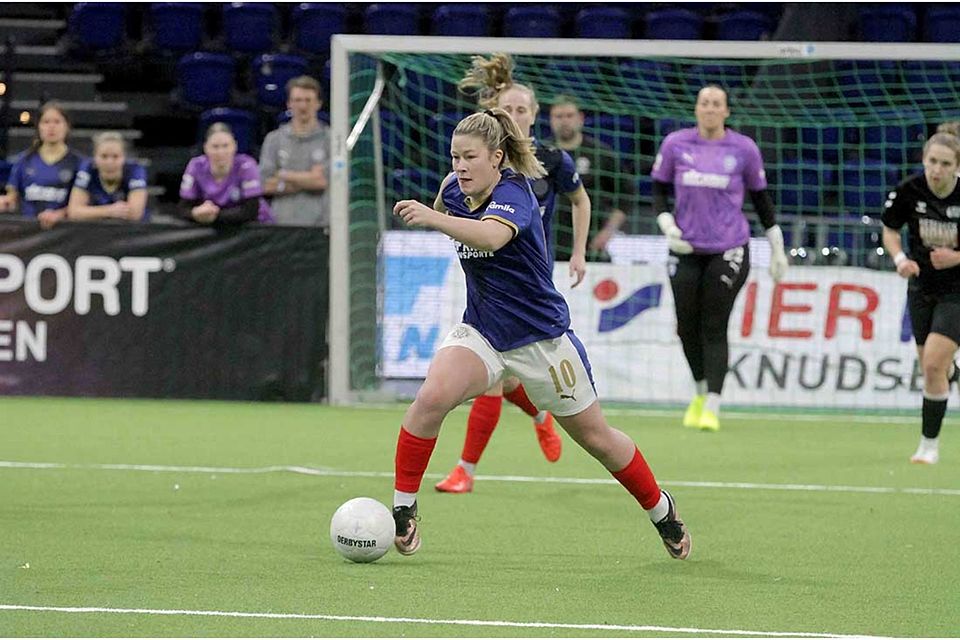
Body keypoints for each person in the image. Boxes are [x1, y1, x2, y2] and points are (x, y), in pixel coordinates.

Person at [390, 108, 691, 560]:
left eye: (469, 157)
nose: (459, 167)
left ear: (496, 158)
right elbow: (446, 210)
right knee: (430, 399)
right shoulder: (453, 190)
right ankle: (403, 509)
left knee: (597, 440)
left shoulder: (517, 193)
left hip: (542, 340)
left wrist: (432, 219)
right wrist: (437, 210)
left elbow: (490, 238)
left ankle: (660, 509)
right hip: (483, 331)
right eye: (454, 157)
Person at [433, 53, 592, 494]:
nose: (516, 116)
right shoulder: (479, 167)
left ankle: (477, 459)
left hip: (531, 283)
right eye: (508, 109)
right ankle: (475, 462)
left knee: (500, 380)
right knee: (496, 381)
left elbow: (581, 201)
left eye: (523, 110)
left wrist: (578, 253)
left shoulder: (551, 162)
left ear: (535, 115)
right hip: (487, 282)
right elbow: (447, 203)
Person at [651, 84, 789, 432]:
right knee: (686, 326)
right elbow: (658, 189)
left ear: (726, 111)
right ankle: (699, 392)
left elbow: (761, 201)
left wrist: (777, 248)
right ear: (696, 109)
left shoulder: (743, 148)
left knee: (714, 322)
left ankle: (713, 401)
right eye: (704, 103)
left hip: (730, 247)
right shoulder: (675, 144)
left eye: (717, 104)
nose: (710, 109)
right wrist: (667, 223)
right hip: (685, 248)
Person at [881, 132, 960, 465]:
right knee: (931, 367)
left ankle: (929, 446)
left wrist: (956, 258)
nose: (937, 170)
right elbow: (890, 229)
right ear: (924, 160)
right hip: (921, 286)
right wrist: (900, 260)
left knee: (931, 365)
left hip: (957, 289)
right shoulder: (909, 190)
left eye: (945, 164)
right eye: (932, 162)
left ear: (957, 166)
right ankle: (950, 371)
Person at [548, 94, 637, 261]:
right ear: (551, 120)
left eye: (569, 115)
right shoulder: (542, 154)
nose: (564, 121)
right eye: (558, 116)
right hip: (549, 245)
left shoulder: (600, 153)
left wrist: (608, 231)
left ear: (580, 118)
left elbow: (627, 193)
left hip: (591, 246)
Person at [0, 101, 84, 229]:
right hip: (28, 234)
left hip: (66, 235)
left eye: (57, 122)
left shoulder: (80, 163)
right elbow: (12, 199)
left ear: (67, 126)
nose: (51, 127)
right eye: (46, 122)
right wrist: (5, 202)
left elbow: (85, 203)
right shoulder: (23, 161)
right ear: (38, 126)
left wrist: (59, 214)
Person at [259, 75, 330, 227]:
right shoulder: (274, 139)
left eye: (308, 100)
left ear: (318, 103)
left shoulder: (331, 139)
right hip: (282, 226)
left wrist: (283, 174)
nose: (303, 106)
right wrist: (308, 178)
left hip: (320, 225)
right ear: (289, 104)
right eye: (298, 100)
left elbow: (322, 181)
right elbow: (265, 185)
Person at [179, 123, 273, 226]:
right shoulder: (195, 165)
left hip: (255, 227)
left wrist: (213, 216)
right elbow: (183, 208)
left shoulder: (247, 166)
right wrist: (195, 213)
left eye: (225, 146)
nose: (221, 152)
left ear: (234, 146)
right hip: (214, 225)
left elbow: (251, 211)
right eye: (215, 147)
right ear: (206, 148)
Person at [67, 131, 148, 223]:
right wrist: (109, 211)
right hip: (94, 230)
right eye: (104, 156)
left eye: (115, 157)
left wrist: (91, 212)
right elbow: (74, 212)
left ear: (124, 158)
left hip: (131, 232)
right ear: (95, 157)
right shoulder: (87, 169)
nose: (109, 162)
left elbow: (135, 214)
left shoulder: (135, 169)